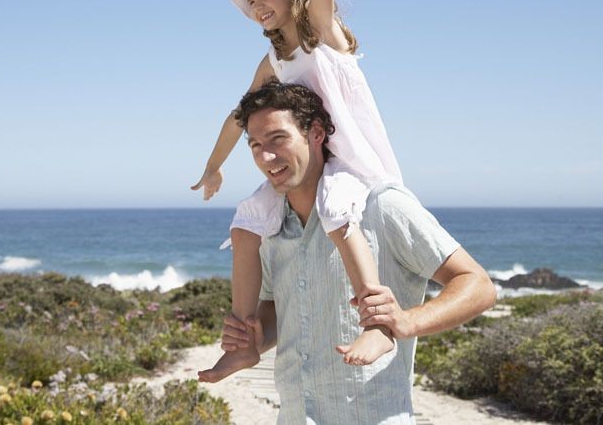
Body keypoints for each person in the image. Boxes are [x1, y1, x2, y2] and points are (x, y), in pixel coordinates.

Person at [194, 0, 402, 379]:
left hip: (348, 166)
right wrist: (212, 166)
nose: (258, 4)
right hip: (304, 169)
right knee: (246, 223)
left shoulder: (325, 37)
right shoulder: (273, 60)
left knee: (333, 209)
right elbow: (238, 115)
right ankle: (247, 340)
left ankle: (376, 324)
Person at [208, 81, 497, 423]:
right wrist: (255, 339)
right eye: (255, 145)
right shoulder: (267, 225)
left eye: (278, 139)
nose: (265, 156)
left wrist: (406, 321)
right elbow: (275, 306)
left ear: (316, 134)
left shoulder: (381, 205)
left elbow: (478, 285)